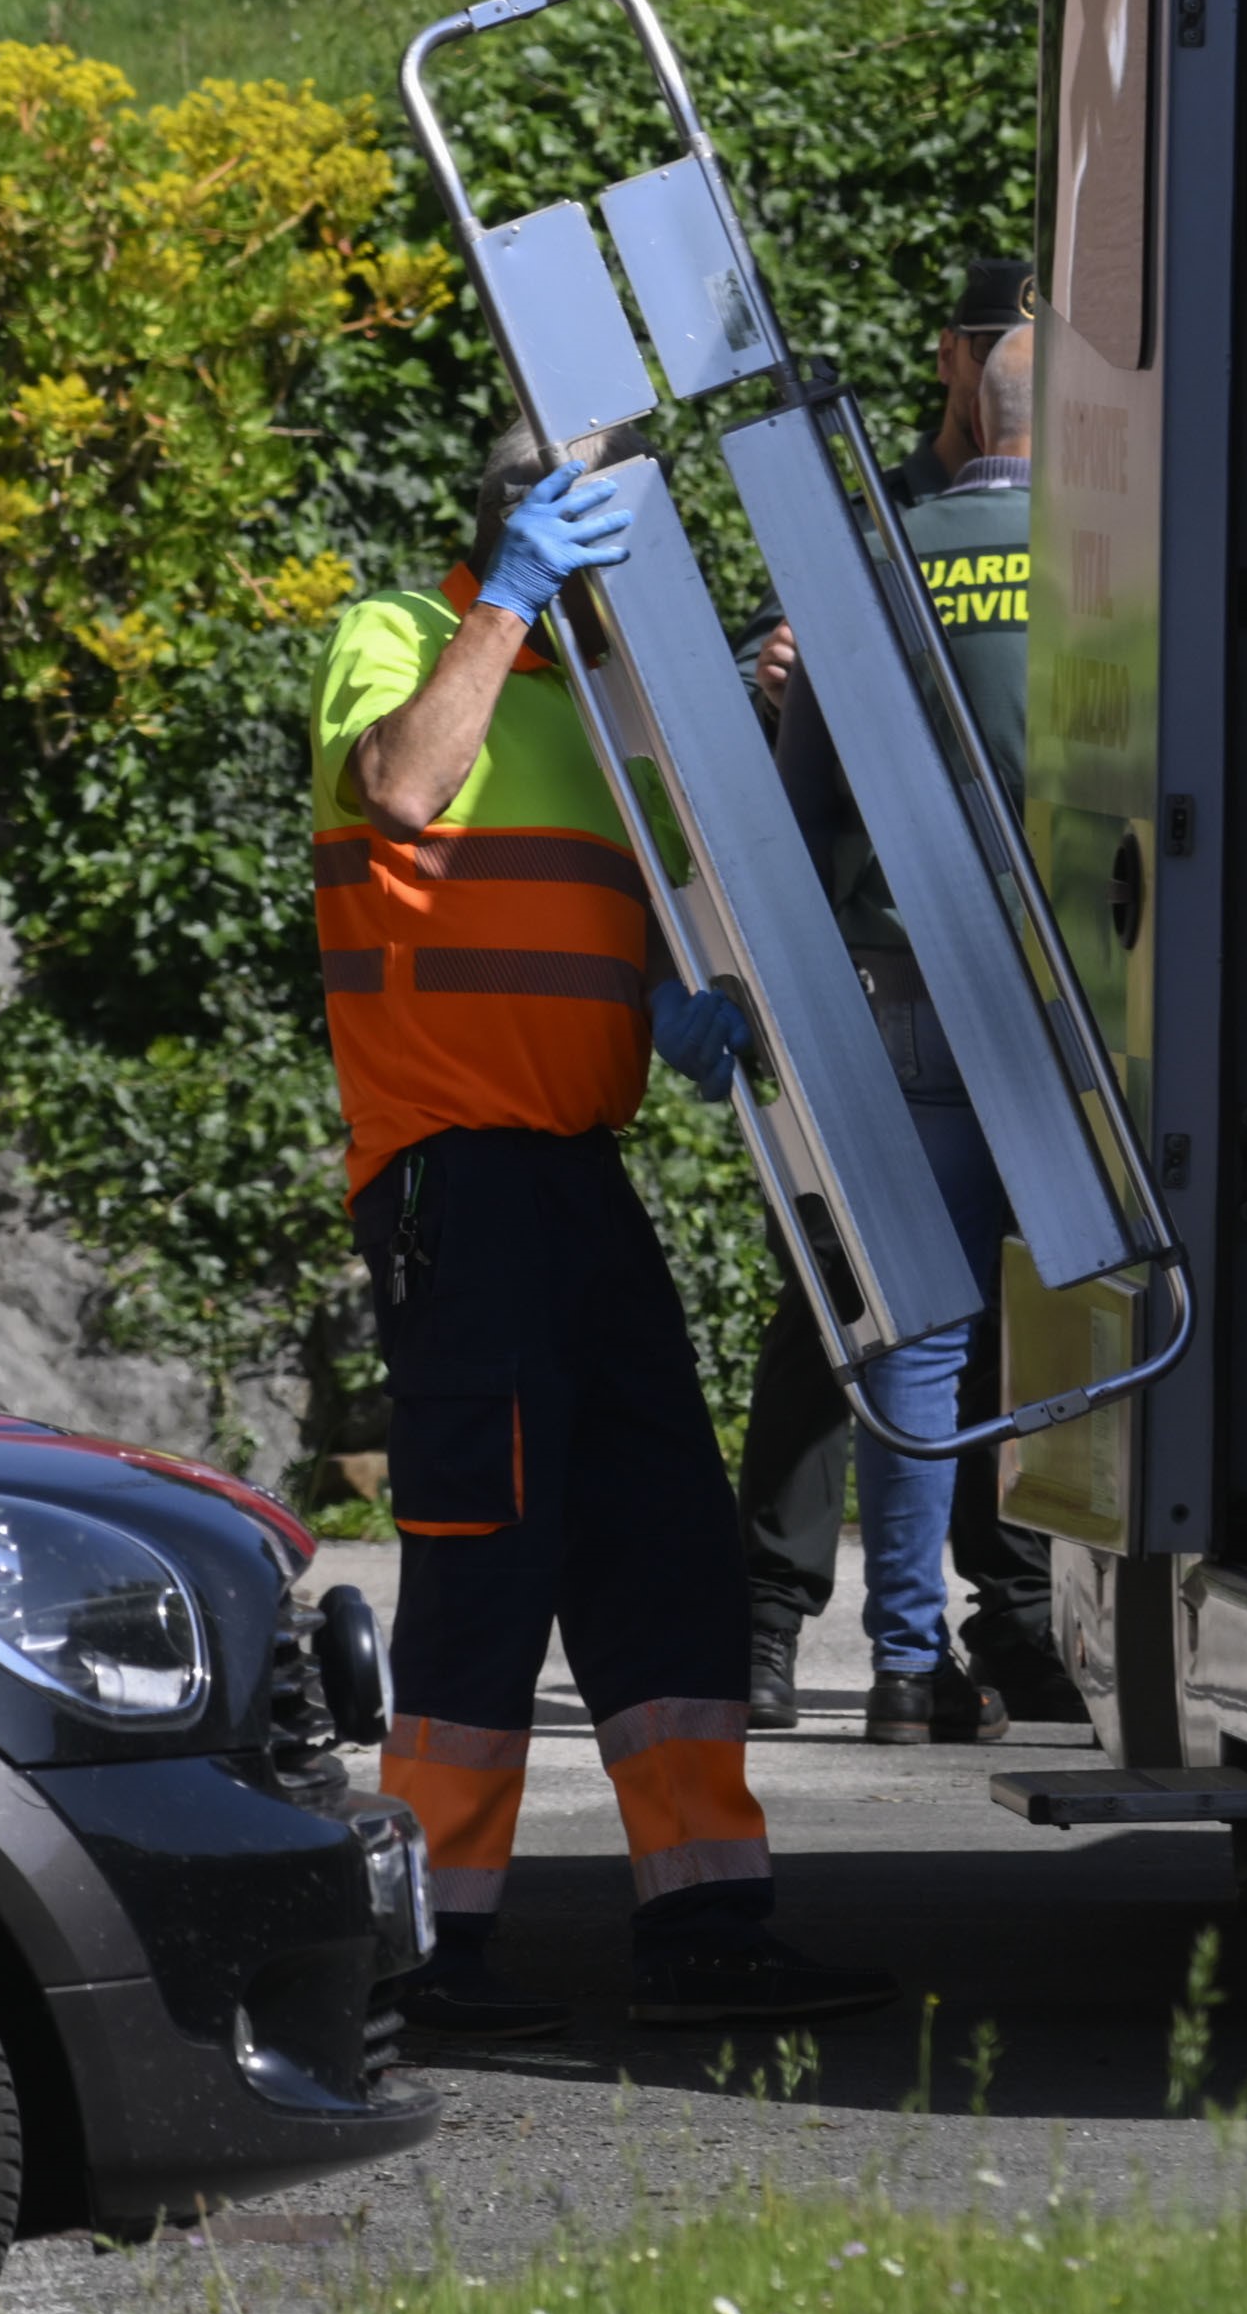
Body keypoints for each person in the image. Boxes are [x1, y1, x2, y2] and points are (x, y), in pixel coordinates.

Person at [319, 429, 894, 2039]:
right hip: (451, 1175)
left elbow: (602, 924)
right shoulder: (397, 635)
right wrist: (506, 599)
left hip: (576, 1170)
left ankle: (705, 1923)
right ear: (525, 523)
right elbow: (403, 787)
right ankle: (425, 1953)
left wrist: (666, 1003)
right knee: (484, 1558)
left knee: (663, 1545)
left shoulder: (605, 711)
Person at [735, 262, 1085, 1742]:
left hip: (899, 981)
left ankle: (899, 1658)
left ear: (965, 380)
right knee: (1077, 1304)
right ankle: (1067, 1626)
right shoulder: (1113, 556)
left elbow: (799, 805)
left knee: (910, 1330)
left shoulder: (867, 557)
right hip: (1077, 992)